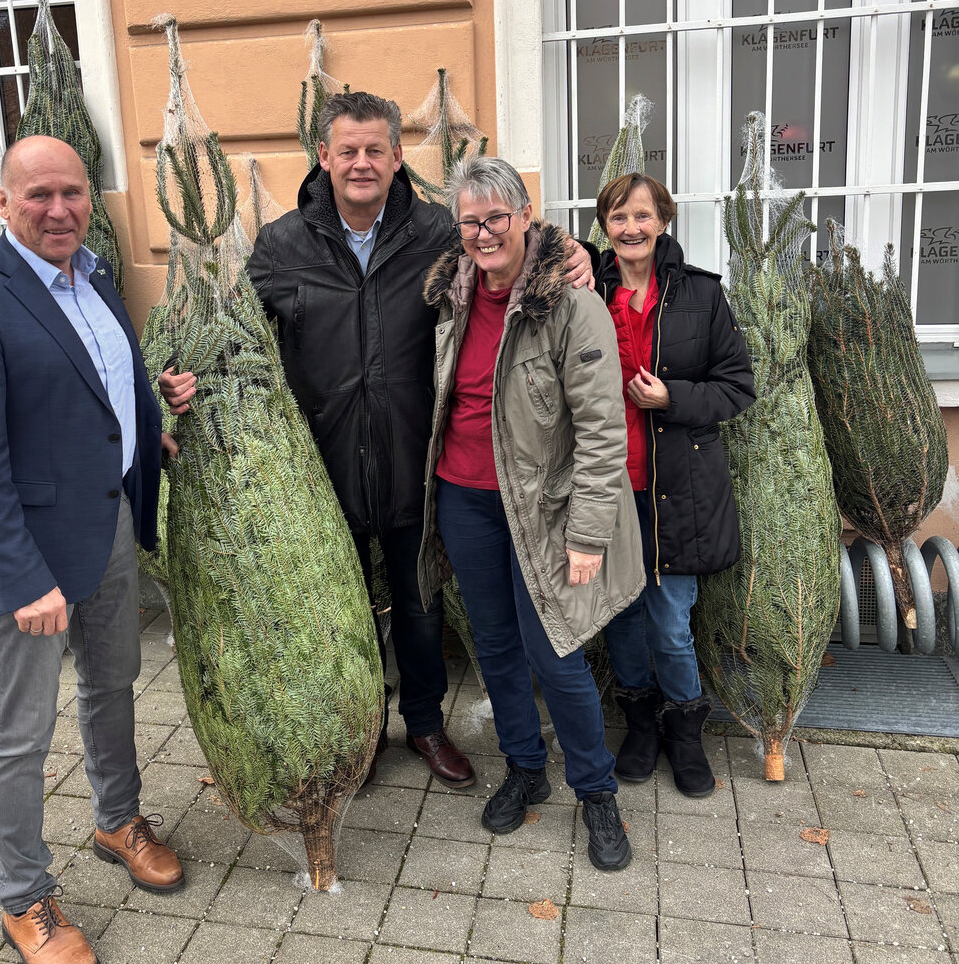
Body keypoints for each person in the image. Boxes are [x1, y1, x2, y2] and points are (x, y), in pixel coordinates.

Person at [160, 92, 593, 788]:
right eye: (347, 150)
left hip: (414, 460)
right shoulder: (282, 244)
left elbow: (509, 247)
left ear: (397, 157)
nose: (362, 163)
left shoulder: (437, 234)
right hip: (318, 467)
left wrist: (577, 253)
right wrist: (179, 381)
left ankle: (424, 723)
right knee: (337, 609)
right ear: (324, 157)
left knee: (419, 605)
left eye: (376, 150)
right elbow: (237, 334)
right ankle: (357, 735)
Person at [0, 136, 183, 964]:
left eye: (73, 193)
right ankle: (24, 894)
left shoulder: (95, 279)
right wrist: (21, 576)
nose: (60, 209)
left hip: (105, 525)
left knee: (113, 680)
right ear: (3, 201)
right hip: (29, 554)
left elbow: (96, 390)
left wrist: (152, 409)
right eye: (40, 196)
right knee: (20, 729)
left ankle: (116, 821)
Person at [416, 157, 645, 871]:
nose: (484, 234)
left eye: (496, 218)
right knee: (496, 647)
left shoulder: (570, 304)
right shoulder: (450, 295)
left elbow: (604, 429)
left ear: (524, 216)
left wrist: (587, 534)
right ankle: (523, 766)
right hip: (464, 498)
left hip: (543, 510)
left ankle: (597, 793)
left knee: (558, 650)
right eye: (470, 222)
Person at [594, 172, 755, 798]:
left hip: (677, 487)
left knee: (668, 619)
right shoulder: (587, 290)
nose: (631, 228)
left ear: (663, 220)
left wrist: (673, 396)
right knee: (623, 616)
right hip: (610, 484)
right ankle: (640, 726)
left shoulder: (701, 296)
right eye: (617, 217)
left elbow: (737, 385)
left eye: (642, 215)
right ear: (604, 226)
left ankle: (685, 733)